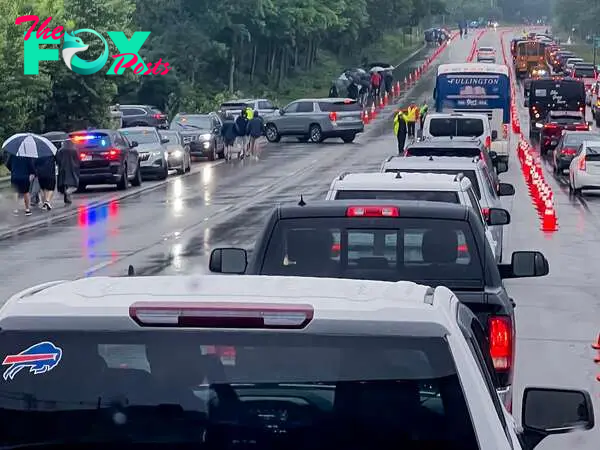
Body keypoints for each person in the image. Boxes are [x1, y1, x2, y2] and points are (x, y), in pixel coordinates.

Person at [56, 140, 80, 205]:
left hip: (62, 169)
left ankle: (67, 198)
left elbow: (57, 160)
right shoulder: (74, 150)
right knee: (74, 185)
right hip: (73, 169)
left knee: (65, 185)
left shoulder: (60, 150)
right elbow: (78, 159)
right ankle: (68, 194)